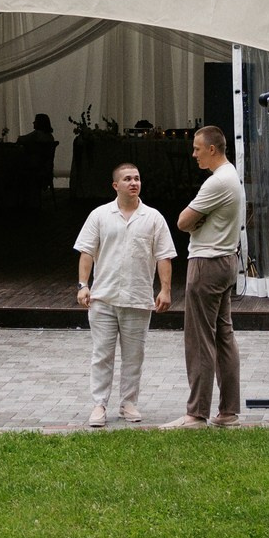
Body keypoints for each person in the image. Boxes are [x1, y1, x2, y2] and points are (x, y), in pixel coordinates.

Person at [73, 162, 174, 425]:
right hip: (103, 298)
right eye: (128, 179)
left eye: (137, 178)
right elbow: (87, 251)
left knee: (134, 356)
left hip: (138, 298)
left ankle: (129, 403)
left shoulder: (153, 218)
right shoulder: (99, 215)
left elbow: (164, 256)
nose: (134, 183)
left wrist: (164, 290)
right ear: (115, 185)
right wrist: (83, 284)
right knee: (102, 354)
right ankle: (99, 404)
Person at [168, 123, 244, 428]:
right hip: (226, 260)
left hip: (207, 263)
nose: (194, 154)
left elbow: (183, 221)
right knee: (224, 335)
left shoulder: (217, 182)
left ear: (212, 149)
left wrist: (197, 223)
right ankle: (228, 412)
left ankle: (196, 414)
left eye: (197, 149)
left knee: (200, 338)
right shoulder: (232, 175)